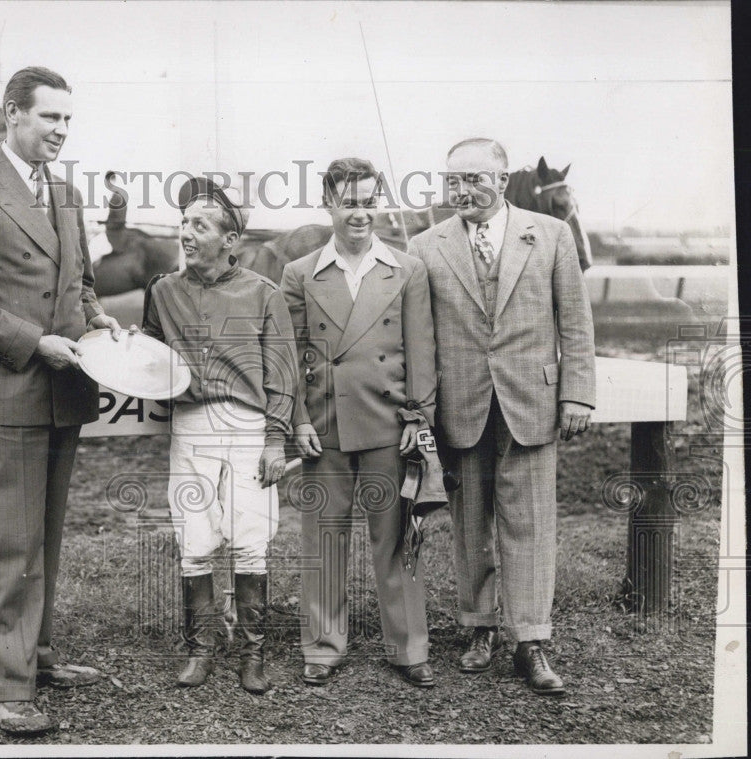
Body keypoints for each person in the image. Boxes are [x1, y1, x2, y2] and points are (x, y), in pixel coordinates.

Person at [0, 66, 122, 734]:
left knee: (46, 537)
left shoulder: (65, 194)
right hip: (10, 390)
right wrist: (36, 341)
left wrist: (99, 321)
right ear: (14, 115)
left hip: (65, 391)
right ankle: (7, 686)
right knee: (9, 541)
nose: (61, 131)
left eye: (68, 120)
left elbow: (81, 284)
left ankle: (35, 655)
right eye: (50, 118)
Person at [408, 138, 595, 696]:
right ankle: (478, 628)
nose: (461, 191)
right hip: (460, 407)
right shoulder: (425, 245)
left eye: (473, 179)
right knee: (470, 525)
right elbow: (417, 336)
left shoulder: (552, 234)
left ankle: (531, 641)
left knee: (531, 524)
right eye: (452, 182)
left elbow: (576, 323)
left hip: (532, 404)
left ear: (501, 177)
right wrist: (422, 409)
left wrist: (577, 395)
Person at [280, 157, 440, 688]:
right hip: (324, 428)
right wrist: (297, 419)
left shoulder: (407, 269)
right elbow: (290, 357)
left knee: (397, 538)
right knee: (324, 538)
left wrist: (419, 419)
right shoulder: (299, 273)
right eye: (349, 202)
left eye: (369, 201)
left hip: (390, 426)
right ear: (328, 202)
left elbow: (421, 349)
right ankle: (323, 647)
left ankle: (409, 647)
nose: (360, 213)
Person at [142, 177, 296, 694]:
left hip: (250, 429)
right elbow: (149, 357)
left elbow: (283, 374)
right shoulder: (162, 291)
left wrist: (277, 440)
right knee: (195, 540)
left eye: (200, 225)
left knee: (251, 541)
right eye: (184, 222)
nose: (187, 232)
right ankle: (202, 649)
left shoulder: (263, 293)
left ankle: (253, 655)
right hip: (190, 426)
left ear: (231, 239)